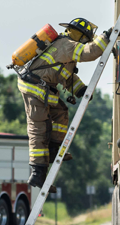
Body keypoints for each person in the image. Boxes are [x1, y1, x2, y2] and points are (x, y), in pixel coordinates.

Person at [17, 18, 110, 189]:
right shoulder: (67, 45)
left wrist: (81, 89)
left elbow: (66, 75)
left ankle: (53, 150)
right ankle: (37, 175)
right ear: (81, 36)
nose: (87, 40)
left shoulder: (65, 47)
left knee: (61, 112)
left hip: (42, 89)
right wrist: (106, 37)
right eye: (87, 37)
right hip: (33, 89)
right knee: (39, 130)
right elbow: (91, 52)